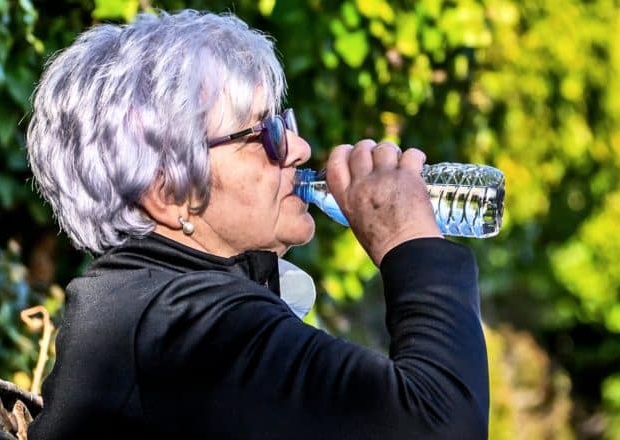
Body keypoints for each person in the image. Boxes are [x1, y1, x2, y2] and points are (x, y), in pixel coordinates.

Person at [26, 9, 488, 439]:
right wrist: (409, 242)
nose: (299, 148)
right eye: (263, 134)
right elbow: (441, 423)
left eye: (283, 123)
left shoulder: (153, 307)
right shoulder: (185, 328)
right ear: (169, 194)